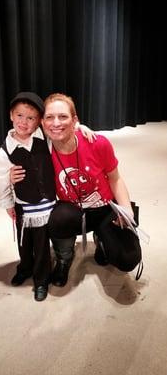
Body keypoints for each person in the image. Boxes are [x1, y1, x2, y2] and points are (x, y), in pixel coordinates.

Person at [10, 93, 142, 288]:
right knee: (57, 217)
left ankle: (102, 241)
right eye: (49, 117)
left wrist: (126, 209)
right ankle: (64, 258)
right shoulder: (40, 149)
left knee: (127, 258)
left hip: (105, 208)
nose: (56, 123)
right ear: (42, 123)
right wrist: (10, 178)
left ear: (75, 119)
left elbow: (115, 179)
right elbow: (17, 131)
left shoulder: (98, 142)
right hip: (72, 211)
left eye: (63, 116)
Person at [0, 91, 94, 301]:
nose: (24, 122)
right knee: (24, 243)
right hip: (23, 205)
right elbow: (2, 180)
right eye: (19, 116)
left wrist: (80, 127)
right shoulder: (5, 151)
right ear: (11, 116)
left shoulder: (45, 140)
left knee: (41, 246)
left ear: (38, 121)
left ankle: (41, 280)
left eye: (31, 118)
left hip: (45, 206)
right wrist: (8, 204)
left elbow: (64, 132)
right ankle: (25, 267)